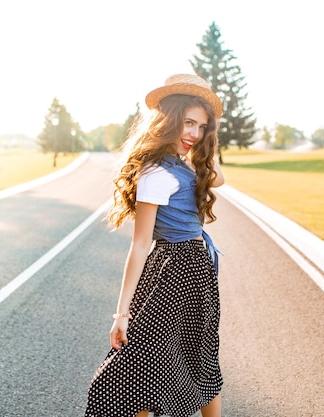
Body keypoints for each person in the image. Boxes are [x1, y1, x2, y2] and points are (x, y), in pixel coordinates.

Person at [84, 73, 225, 417]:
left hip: (196, 271)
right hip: (174, 272)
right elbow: (140, 244)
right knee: (139, 369)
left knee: (196, 361)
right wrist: (122, 314)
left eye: (201, 126)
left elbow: (218, 177)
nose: (194, 133)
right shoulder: (155, 173)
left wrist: (206, 146)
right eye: (187, 122)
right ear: (170, 120)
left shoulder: (182, 165)